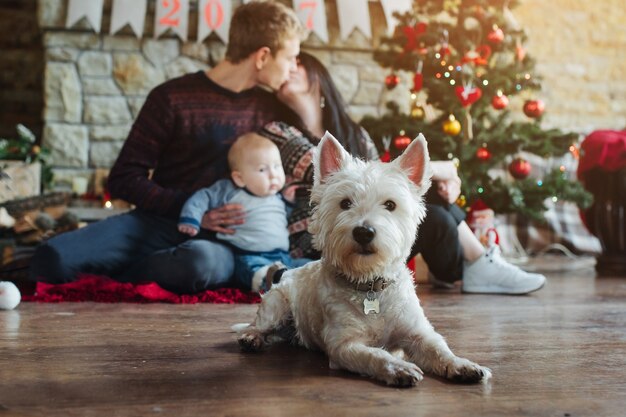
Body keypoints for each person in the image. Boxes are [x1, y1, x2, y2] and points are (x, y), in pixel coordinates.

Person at [28, 1, 304, 294]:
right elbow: (123, 178)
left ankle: (121, 276)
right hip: (156, 223)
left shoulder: (271, 110)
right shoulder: (171, 97)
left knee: (199, 263)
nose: (293, 69)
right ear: (263, 56)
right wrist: (191, 210)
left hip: (220, 243)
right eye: (290, 58)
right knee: (53, 258)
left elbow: (315, 153)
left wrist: (301, 101)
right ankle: (130, 268)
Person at [258, 51, 546, 295]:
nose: (289, 69)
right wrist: (447, 169)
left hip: (368, 230)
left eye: (298, 62)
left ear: (318, 76)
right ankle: (479, 265)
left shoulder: (354, 133)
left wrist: (444, 181)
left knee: (421, 202)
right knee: (430, 208)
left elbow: (384, 184)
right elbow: (324, 176)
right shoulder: (279, 132)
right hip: (318, 237)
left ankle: (475, 267)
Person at [178, 133, 307, 292]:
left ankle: (300, 280)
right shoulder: (230, 191)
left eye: (276, 166)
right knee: (258, 273)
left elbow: (278, 221)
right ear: (240, 178)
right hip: (248, 256)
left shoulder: (276, 197)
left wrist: (287, 203)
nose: (273, 174)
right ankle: (270, 284)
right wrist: (191, 218)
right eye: (262, 169)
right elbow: (201, 197)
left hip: (283, 257)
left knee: (309, 267)